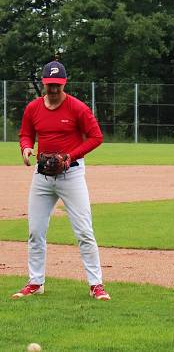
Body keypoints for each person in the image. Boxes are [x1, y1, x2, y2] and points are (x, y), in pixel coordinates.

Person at [14, 61, 110, 301]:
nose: (54, 89)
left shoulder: (77, 108)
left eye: (57, 85)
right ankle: (36, 282)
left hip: (72, 174)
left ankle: (96, 284)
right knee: (35, 231)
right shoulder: (33, 108)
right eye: (49, 85)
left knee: (84, 231)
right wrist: (26, 148)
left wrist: (70, 156)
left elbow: (96, 137)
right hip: (42, 175)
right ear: (44, 84)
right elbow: (26, 133)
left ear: (64, 83)